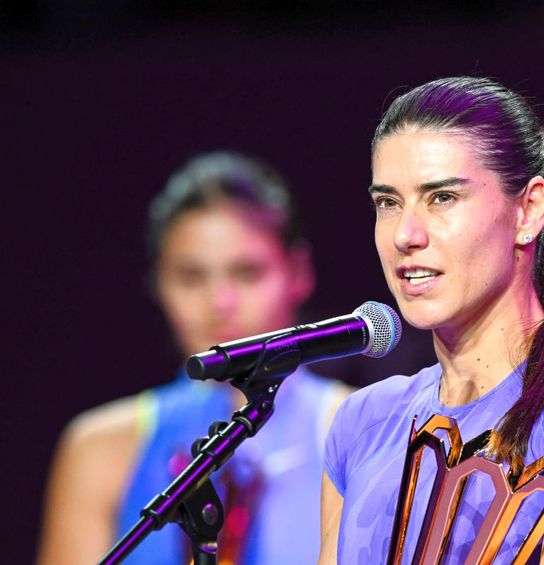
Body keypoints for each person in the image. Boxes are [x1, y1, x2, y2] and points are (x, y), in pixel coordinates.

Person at [319, 77, 544, 564]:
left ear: (528, 210)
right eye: (388, 203)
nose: (405, 234)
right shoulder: (362, 423)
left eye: (442, 197)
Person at [37, 152, 351, 565]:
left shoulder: (360, 427)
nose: (220, 302)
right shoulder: (99, 448)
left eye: (246, 273)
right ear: (157, 284)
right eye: (191, 277)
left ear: (298, 272)